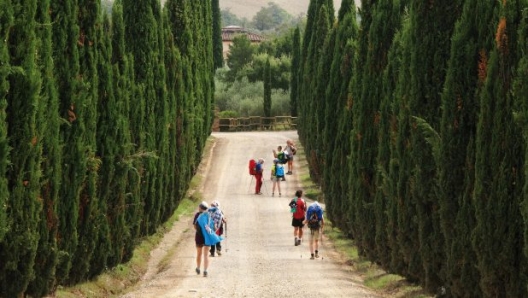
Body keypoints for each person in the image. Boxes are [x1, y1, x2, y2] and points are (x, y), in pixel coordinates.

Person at [193, 201, 223, 277]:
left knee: (199, 254)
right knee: (206, 254)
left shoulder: (198, 215)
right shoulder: (210, 215)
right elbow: (214, 226)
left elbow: (195, 226)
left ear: (200, 207)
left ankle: (198, 268)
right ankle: (205, 270)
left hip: (199, 237)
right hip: (208, 237)